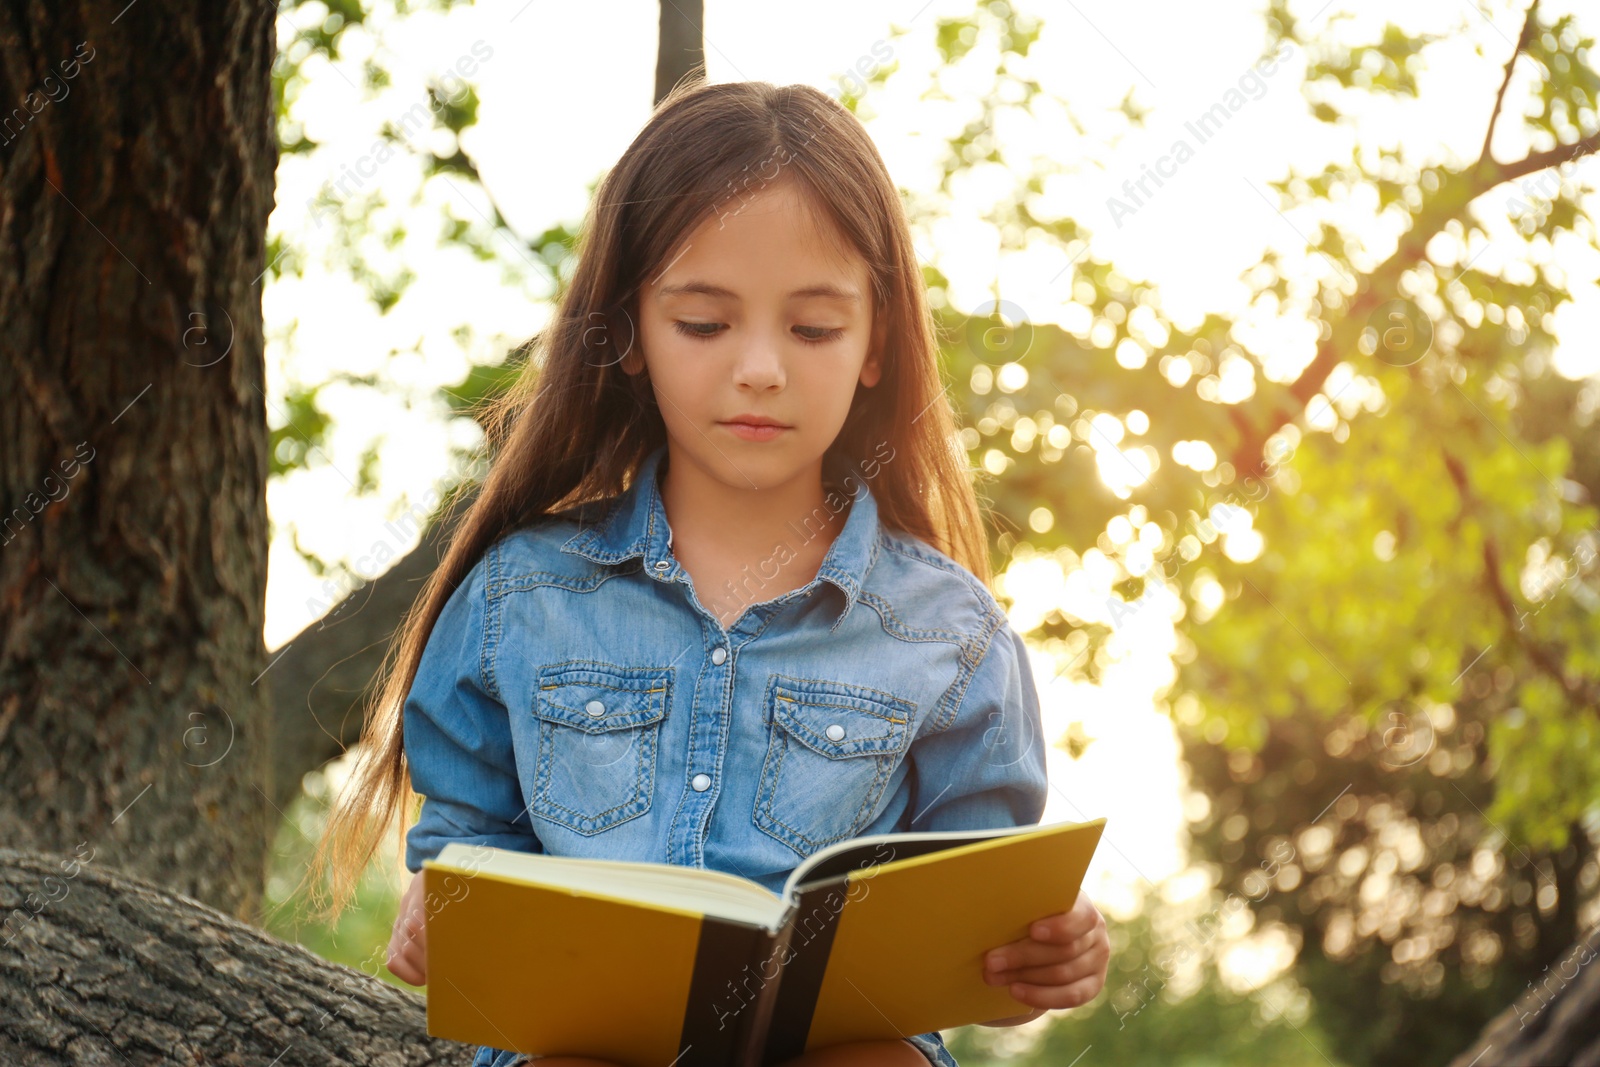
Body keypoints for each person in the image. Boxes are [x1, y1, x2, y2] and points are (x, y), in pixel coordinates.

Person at [308, 77, 1110, 1067]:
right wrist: (441, 904)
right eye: (703, 323)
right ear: (631, 333)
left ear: (877, 341)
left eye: (812, 327)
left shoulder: (952, 635)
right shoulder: (522, 594)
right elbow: (465, 844)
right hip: (583, 1042)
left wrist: (1045, 951)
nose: (761, 367)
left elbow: (978, 922)